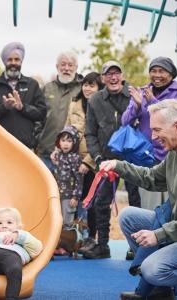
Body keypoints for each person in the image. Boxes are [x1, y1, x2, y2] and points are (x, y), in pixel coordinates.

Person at [101, 99, 177, 300]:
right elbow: (152, 179)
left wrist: (159, 234)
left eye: (157, 130)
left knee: (152, 269)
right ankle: (162, 290)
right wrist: (117, 165)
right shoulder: (176, 153)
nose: (153, 136)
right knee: (128, 216)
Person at [81, 60, 140, 259]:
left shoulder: (134, 95)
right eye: (109, 74)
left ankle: (136, 247)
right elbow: (90, 132)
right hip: (106, 160)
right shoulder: (95, 100)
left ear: (122, 76)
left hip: (131, 159)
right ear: (103, 78)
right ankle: (103, 245)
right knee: (101, 202)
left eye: (117, 73)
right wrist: (97, 157)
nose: (113, 77)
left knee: (134, 204)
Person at [122, 56, 177, 211]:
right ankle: (151, 233)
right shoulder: (141, 92)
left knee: (173, 204)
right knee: (148, 205)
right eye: (153, 71)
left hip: (171, 155)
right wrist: (137, 106)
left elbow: (176, 119)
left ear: (171, 74)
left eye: (162, 71)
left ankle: (170, 233)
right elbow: (125, 122)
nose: (157, 75)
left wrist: (152, 101)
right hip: (147, 156)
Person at [65, 72, 104, 252]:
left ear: (99, 88)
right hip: (73, 161)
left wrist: (87, 163)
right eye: (85, 85)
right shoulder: (74, 104)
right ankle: (69, 239)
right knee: (72, 200)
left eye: (92, 85)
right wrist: (60, 150)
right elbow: (66, 128)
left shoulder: (102, 105)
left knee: (91, 203)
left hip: (93, 162)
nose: (87, 88)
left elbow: (101, 138)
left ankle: (90, 237)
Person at [0, 42, 46, 150]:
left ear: (21, 61)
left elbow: (42, 113)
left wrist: (23, 108)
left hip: (25, 148)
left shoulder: (32, 84)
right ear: (4, 61)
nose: (13, 63)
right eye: (9, 59)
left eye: (17, 59)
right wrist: (3, 107)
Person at [36, 51, 83, 172]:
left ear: (76, 67)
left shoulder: (82, 89)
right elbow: (38, 117)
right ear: (57, 67)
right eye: (63, 64)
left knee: (68, 190)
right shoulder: (47, 88)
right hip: (46, 151)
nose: (66, 68)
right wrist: (37, 140)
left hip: (72, 155)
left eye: (70, 65)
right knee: (46, 190)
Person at [51, 125, 83, 229]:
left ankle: (68, 242)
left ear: (74, 142)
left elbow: (79, 179)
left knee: (67, 222)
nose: (65, 143)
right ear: (59, 142)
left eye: (69, 141)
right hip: (58, 194)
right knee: (57, 220)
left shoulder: (75, 158)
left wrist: (75, 197)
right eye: (63, 140)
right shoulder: (58, 155)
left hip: (69, 196)